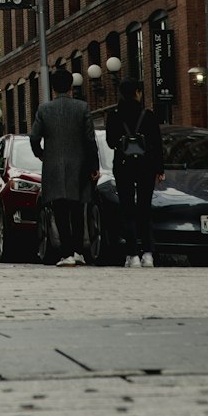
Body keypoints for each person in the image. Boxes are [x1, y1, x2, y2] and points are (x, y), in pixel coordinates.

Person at [29, 68, 99, 267]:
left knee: (59, 210)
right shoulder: (83, 108)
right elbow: (89, 139)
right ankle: (78, 251)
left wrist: (41, 154)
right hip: (79, 166)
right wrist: (94, 165)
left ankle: (66, 253)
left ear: (52, 88)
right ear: (71, 87)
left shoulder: (44, 110)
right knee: (78, 209)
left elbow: (34, 137)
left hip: (53, 167)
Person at [105, 77, 165, 267]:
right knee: (145, 208)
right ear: (137, 93)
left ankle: (133, 255)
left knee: (127, 209)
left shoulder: (114, 115)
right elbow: (156, 143)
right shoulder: (148, 114)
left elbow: (111, 142)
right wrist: (159, 169)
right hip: (146, 166)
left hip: (123, 166)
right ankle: (148, 254)